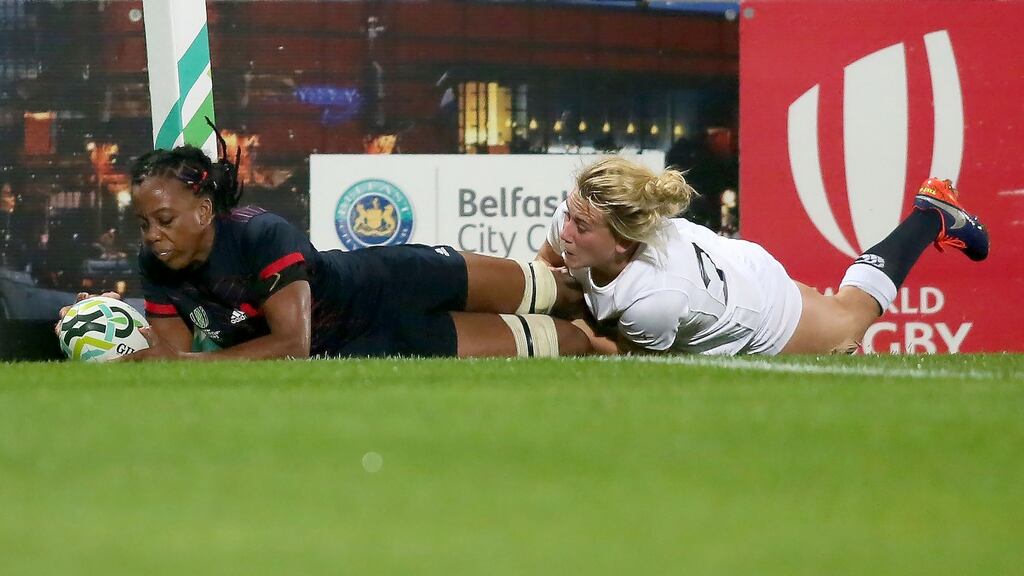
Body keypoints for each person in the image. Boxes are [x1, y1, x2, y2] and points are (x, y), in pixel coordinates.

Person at [58, 135, 591, 360]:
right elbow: (177, 360)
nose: (152, 235)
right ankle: (625, 345)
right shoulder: (157, 267)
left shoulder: (260, 233)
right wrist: (123, 347)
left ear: (203, 212)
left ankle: (652, 308)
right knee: (567, 342)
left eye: (164, 220)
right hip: (377, 342)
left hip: (394, 279)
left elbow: (291, 342)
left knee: (562, 291)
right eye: (143, 223)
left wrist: (174, 365)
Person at [535, 156, 989, 355]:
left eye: (580, 226)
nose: (566, 230)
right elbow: (546, 258)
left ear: (619, 240)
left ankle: (933, 214)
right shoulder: (582, 210)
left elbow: (620, 352)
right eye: (569, 217)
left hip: (761, 307)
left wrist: (558, 332)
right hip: (725, 262)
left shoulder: (656, 298)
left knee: (848, 325)